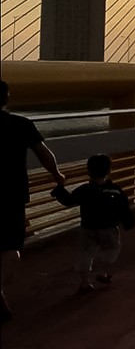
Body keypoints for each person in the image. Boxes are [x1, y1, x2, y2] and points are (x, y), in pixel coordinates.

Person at [1, 80, 65, 323]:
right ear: (6, 99)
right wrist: (57, 176)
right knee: (11, 246)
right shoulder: (21, 124)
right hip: (12, 193)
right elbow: (45, 155)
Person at [51, 154, 135, 295]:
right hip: (109, 228)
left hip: (88, 227)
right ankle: (103, 272)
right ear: (109, 170)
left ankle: (84, 283)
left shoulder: (84, 189)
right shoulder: (116, 190)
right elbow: (124, 209)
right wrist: (128, 223)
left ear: (88, 171)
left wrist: (59, 190)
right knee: (112, 249)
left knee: (85, 253)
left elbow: (69, 200)